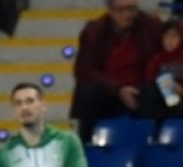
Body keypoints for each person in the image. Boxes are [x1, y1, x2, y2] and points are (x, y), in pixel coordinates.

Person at [69, 0, 163, 142]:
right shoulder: (94, 31)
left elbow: (163, 60)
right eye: (120, 10)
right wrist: (118, 89)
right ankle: (84, 144)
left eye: (131, 9)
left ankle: (158, 143)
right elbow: (84, 70)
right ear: (110, 10)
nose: (127, 15)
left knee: (160, 90)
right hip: (108, 92)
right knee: (86, 91)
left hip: (141, 89)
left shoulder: (152, 27)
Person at [141, 18, 183, 120]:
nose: (169, 41)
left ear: (182, 38)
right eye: (166, 36)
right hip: (159, 99)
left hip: (181, 100)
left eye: (174, 36)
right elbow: (148, 81)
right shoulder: (156, 59)